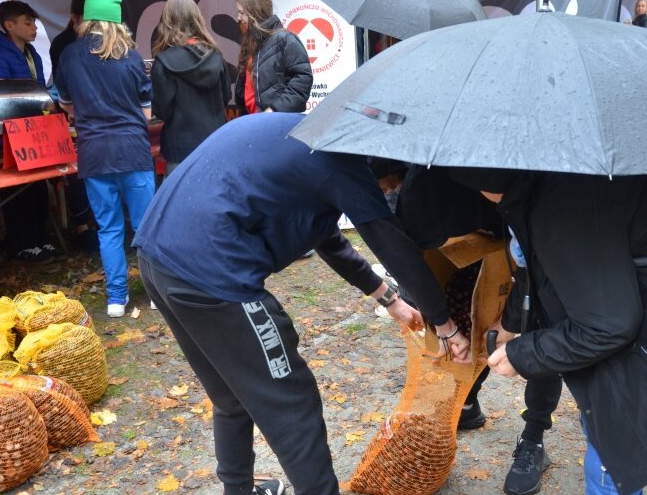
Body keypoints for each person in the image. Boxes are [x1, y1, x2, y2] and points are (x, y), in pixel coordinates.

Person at [132, 112, 470, 495]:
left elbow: (326, 235)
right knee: (292, 402)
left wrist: (387, 297)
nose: (387, 192)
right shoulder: (343, 163)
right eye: (388, 186)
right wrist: (444, 323)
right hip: (211, 273)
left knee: (231, 396)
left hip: (157, 258)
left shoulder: (309, 136)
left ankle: (237, 491)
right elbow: (390, 243)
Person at [450, 168, 647, 494]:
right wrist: (512, 321)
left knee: (608, 457)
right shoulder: (569, 179)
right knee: (603, 440)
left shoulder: (564, 199)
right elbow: (537, 267)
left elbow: (607, 327)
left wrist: (523, 354)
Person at [371, 160, 562, 495]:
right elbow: (412, 258)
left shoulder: (525, 174)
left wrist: (513, 319)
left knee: (542, 331)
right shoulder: (423, 184)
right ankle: (467, 401)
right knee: (468, 318)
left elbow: (534, 257)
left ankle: (533, 437)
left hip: (536, 242)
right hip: (482, 239)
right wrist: (432, 316)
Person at [55, 0, 155, 318]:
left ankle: (116, 299)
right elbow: (146, 112)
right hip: (133, 150)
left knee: (109, 228)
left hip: (94, 152)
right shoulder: (131, 56)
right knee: (145, 226)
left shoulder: (70, 55)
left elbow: (66, 104)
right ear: (116, 20)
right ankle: (156, 292)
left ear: (86, 19)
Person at [0, 0, 60, 262]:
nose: (34, 28)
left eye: (34, 22)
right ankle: (22, 241)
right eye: (27, 22)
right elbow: (3, 99)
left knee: (38, 186)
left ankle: (39, 238)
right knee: (16, 190)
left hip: (34, 134)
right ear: (9, 25)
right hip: (8, 137)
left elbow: (38, 92)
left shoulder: (31, 52)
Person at [151, 0, 231, 174]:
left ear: (167, 21)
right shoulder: (215, 56)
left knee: (180, 202)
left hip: (179, 151)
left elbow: (162, 111)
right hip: (215, 144)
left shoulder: (163, 63)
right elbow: (225, 97)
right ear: (197, 18)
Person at [48, 0, 100, 253]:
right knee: (76, 172)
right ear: (74, 18)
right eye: (87, 20)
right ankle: (81, 225)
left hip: (96, 119)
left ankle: (98, 221)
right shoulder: (63, 45)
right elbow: (62, 89)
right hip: (73, 118)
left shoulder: (99, 42)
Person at [233, 0, 313, 115]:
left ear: (255, 12)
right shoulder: (251, 42)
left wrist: (275, 109)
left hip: (276, 122)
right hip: (253, 121)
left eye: (242, 13)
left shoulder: (284, 39)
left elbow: (302, 79)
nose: (238, 18)